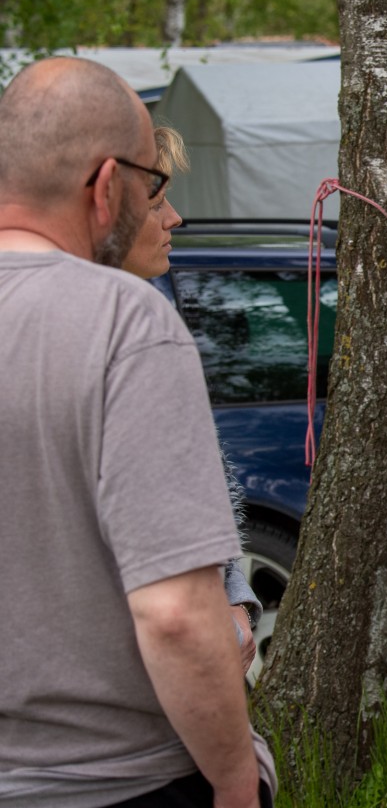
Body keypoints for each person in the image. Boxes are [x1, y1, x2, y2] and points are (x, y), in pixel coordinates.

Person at [0, 57, 274, 808]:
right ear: (104, 186)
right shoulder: (125, 319)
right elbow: (178, 613)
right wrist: (235, 781)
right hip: (118, 784)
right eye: (155, 183)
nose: (166, 209)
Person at [123, 124, 261, 676]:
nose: (175, 217)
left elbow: (199, 475)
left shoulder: (148, 306)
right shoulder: (128, 339)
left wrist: (232, 590)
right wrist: (238, 764)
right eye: (157, 200)